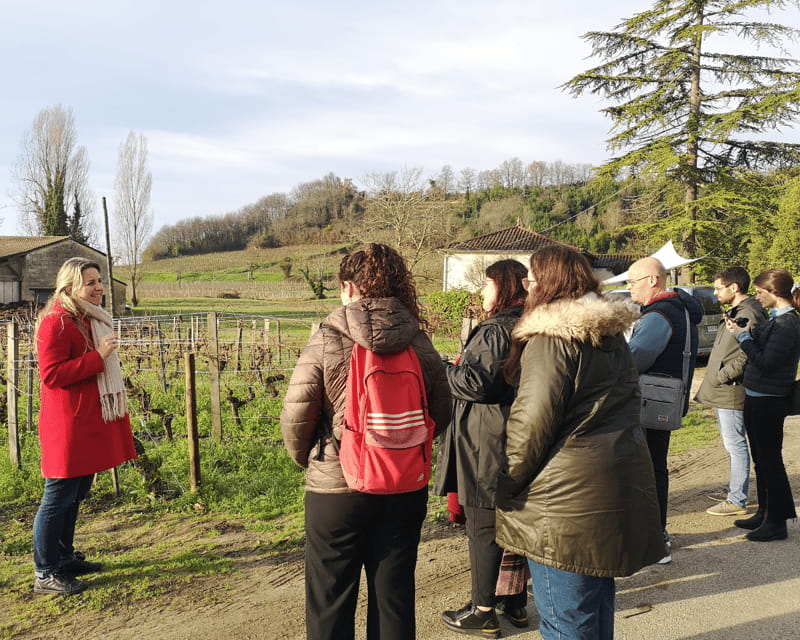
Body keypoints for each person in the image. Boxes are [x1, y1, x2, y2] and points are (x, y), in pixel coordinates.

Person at [280, 243, 451, 640]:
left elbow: (295, 416)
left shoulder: (326, 339)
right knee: (393, 599)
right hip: (404, 485)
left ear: (348, 286)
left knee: (330, 599)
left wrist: (311, 458)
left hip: (336, 489)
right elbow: (440, 412)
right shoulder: (418, 340)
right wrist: (403, 444)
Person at [495, 245, 663, 640]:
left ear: (549, 284)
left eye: (531, 279)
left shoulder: (551, 339)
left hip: (563, 502)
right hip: (608, 487)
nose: (527, 287)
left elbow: (531, 423)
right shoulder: (610, 336)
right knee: (596, 608)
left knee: (565, 620)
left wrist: (506, 483)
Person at [433, 259, 529, 637]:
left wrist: (442, 369)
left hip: (485, 441)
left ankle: (483, 610)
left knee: (484, 528)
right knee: (514, 524)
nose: (481, 293)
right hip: (511, 434)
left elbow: (475, 384)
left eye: (487, 285)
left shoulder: (496, 330)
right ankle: (515, 603)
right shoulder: (528, 323)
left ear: (503, 286)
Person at [33, 257, 136, 595]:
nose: (99, 288)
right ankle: (45, 572)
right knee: (58, 496)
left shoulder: (89, 319)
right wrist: (98, 358)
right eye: (90, 282)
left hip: (87, 420)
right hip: (67, 423)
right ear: (69, 286)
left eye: (99, 281)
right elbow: (51, 375)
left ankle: (64, 557)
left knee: (76, 494)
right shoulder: (56, 322)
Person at [626, 256, 702, 564]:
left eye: (632, 282)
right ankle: (656, 536)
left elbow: (633, 360)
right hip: (665, 403)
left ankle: (654, 540)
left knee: (647, 472)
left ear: (653, 281)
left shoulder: (659, 316)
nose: (628, 288)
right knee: (654, 468)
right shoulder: (681, 309)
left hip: (649, 403)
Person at [727, 268, 800, 542]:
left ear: (774, 293)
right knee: (762, 459)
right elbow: (764, 351)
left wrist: (744, 338)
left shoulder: (788, 324)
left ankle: (778, 522)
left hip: (770, 400)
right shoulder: (776, 319)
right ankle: (765, 512)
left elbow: (768, 362)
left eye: (759, 292)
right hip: (758, 397)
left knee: (771, 461)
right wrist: (744, 331)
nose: (756, 298)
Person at [695, 266, 766, 516]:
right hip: (727, 389)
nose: (715, 293)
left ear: (734, 287)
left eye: (718, 288)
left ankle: (737, 499)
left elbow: (750, 351)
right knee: (734, 445)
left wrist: (723, 376)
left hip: (732, 391)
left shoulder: (748, 313)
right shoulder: (740, 311)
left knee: (736, 445)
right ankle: (736, 492)